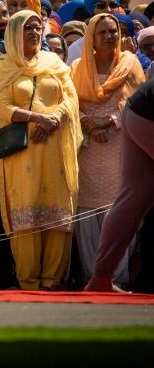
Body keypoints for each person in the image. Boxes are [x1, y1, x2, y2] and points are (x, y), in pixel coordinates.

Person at [0, 10, 82, 290]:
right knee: (26, 214)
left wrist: (53, 118)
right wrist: (36, 118)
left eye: (37, 27)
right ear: (14, 32)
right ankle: (29, 281)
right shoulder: (3, 66)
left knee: (56, 212)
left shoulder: (53, 62)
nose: (34, 33)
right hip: (22, 152)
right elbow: (0, 107)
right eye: (27, 28)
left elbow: (71, 99)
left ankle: (53, 281)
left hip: (54, 149)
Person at [70, 13, 145, 287]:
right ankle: (95, 280)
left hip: (120, 146)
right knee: (88, 215)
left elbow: (138, 103)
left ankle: (118, 280)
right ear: (91, 36)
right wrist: (88, 123)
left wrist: (110, 121)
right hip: (88, 150)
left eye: (113, 31)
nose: (109, 36)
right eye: (102, 32)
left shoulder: (130, 63)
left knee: (120, 210)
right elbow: (69, 103)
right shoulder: (77, 67)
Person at [85, 76, 154, 292]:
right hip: (146, 115)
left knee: (133, 198)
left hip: (136, 112)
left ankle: (101, 278)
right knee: (133, 197)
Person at [66, 0, 123, 65]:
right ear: (92, 10)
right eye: (101, 5)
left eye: (113, 5)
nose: (108, 10)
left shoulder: (127, 43)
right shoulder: (77, 49)